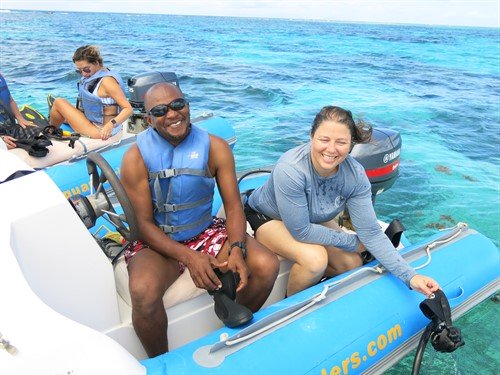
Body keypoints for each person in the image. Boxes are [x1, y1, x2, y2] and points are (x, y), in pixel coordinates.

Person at [120, 82, 280, 357]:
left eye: (178, 105)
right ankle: (163, 362)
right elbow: (143, 225)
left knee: (266, 264)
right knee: (143, 292)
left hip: (204, 230)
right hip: (158, 242)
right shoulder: (135, 158)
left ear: (188, 106)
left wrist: (238, 248)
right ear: (148, 120)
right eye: (160, 111)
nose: (172, 114)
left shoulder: (215, 147)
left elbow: (232, 208)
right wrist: (189, 257)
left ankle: (230, 332)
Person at [245, 105, 440, 298]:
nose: (331, 149)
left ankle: (316, 292)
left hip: (311, 215)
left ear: (352, 144)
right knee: (315, 260)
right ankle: (291, 309)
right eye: (324, 139)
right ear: (311, 137)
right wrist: (352, 242)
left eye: (341, 142)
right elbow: (301, 231)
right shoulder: (291, 169)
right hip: (267, 216)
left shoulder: (354, 174)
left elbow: (371, 233)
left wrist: (411, 277)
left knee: (351, 263)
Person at [48, 45, 132, 140]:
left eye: (86, 69)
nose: (84, 74)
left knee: (59, 102)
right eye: (79, 71)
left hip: (101, 130)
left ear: (96, 63)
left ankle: (50, 132)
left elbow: (128, 109)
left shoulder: (107, 82)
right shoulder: (97, 74)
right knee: (63, 114)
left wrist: (110, 125)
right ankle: (56, 116)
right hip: (92, 120)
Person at [0, 73, 37, 150]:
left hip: (11, 128)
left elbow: (10, 100)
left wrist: (20, 118)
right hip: (2, 136)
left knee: (39, 135)